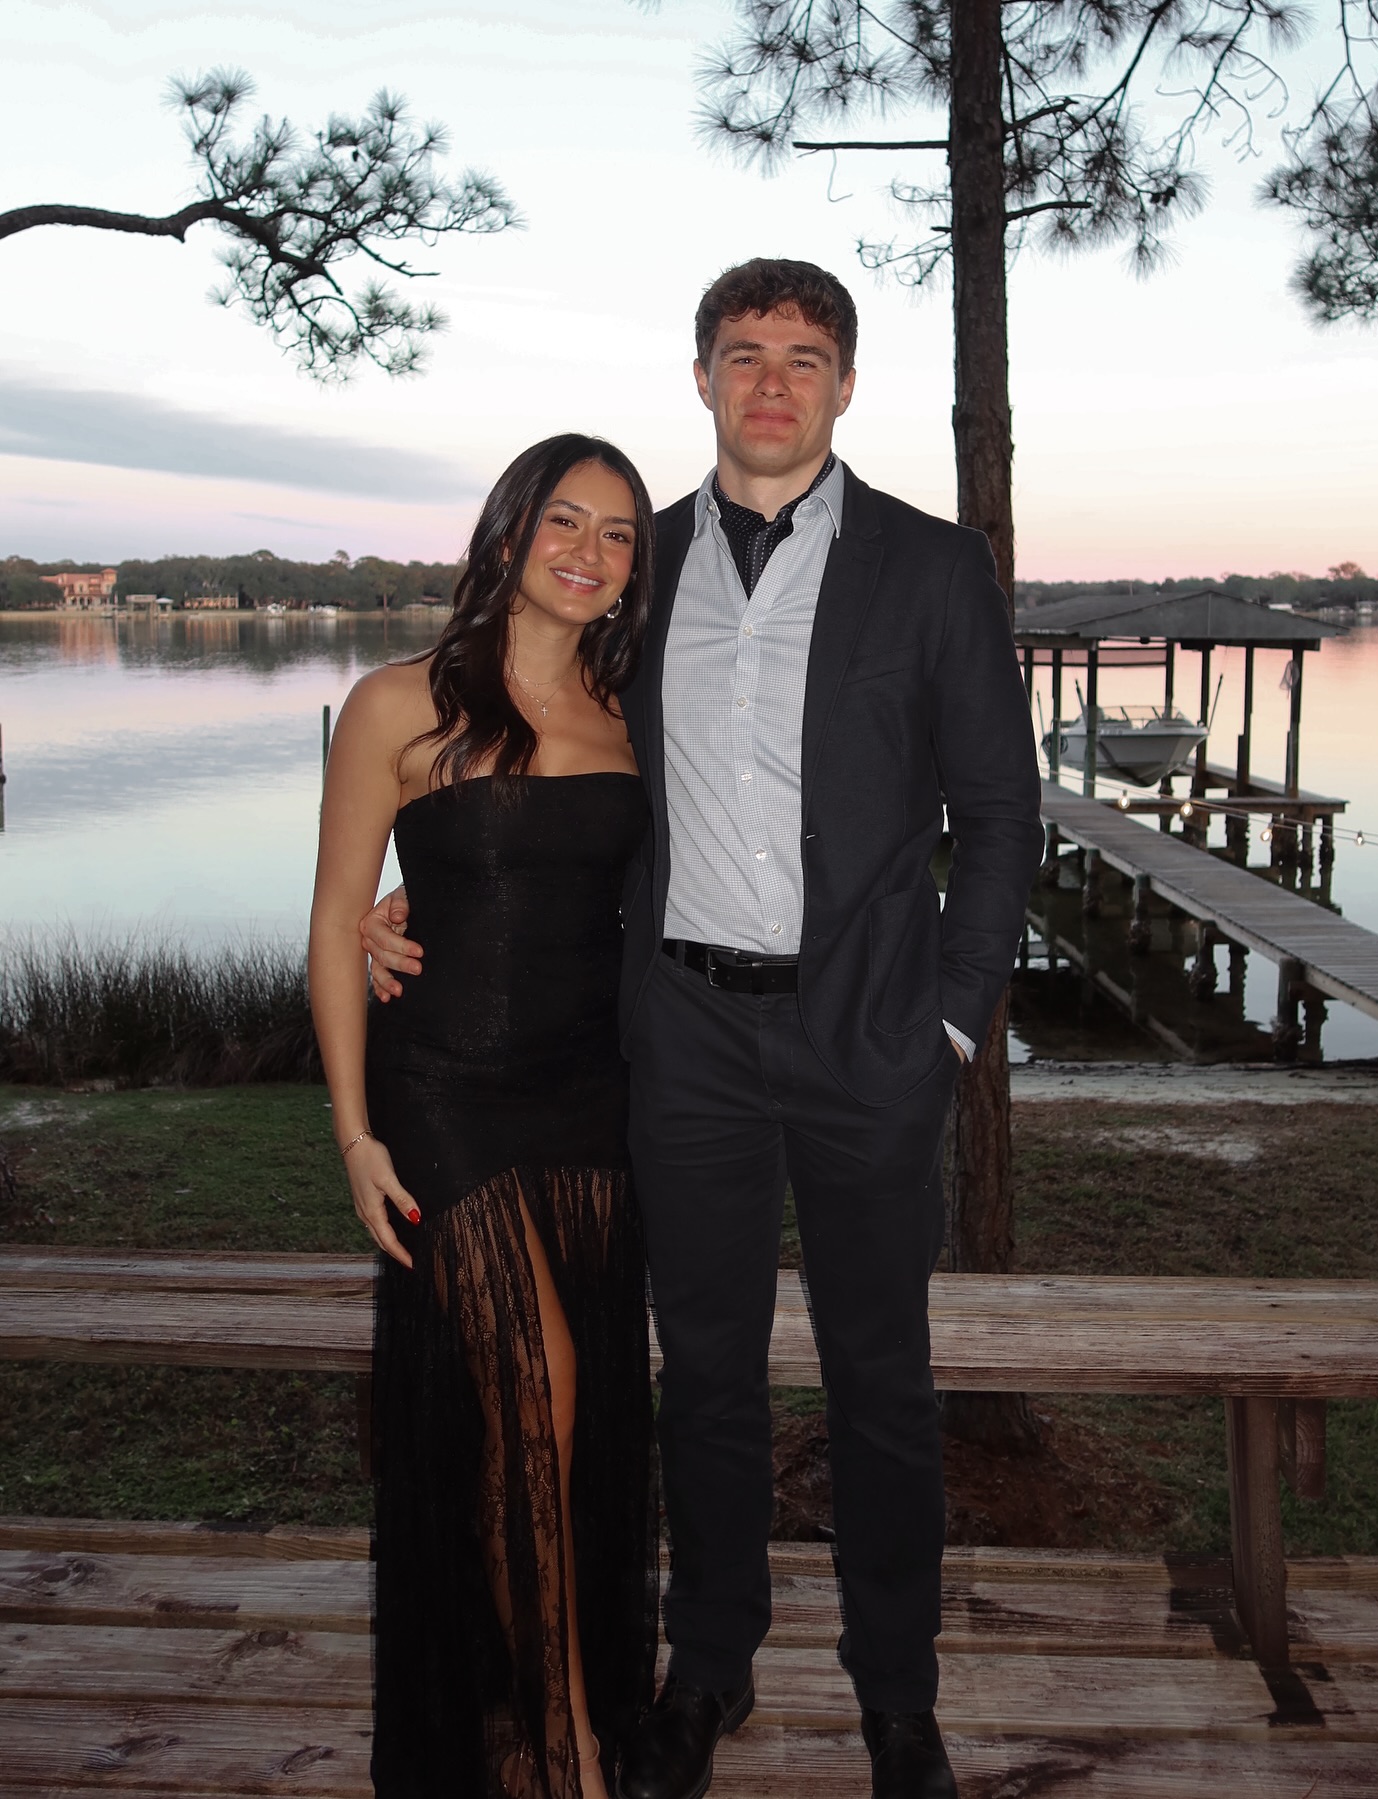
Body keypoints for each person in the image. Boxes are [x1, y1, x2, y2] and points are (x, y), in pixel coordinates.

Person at [366, 259, 1043, 1799]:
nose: (773, 383)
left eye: (805, 357)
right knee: (709, 1376)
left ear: (846, 385)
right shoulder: (638, 564)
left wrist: (950, 1024)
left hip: (869, 1041)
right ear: (702, 378)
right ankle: (709, 1670)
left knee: (883, 1382)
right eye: (744, 355)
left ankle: (899, 1701)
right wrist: (406, 887)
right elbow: (527, 738)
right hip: (684, 1044)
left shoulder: (934, 568)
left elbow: (1001, 815)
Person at [309, 433, 659, 1799]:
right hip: (444, 1093)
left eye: (618, 534)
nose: (588, 551)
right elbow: (336, 923)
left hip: (591, 1096)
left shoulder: (634, 710)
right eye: (564, 520)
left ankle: (518, 1715)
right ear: (509, 534)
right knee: (537, 1384)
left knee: (556, 1435)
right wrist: (354, 1135)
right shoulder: (396, 703)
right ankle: (566, 1748)